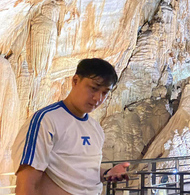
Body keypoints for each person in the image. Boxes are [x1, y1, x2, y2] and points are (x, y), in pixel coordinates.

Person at [12, 58, 129, 195]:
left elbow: (83, 173)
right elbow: (27, 184)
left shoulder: (95, 128)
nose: (98, 98)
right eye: (94, 88)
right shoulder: (46, 121)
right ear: (75, 81)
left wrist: (107, 173)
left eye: (104, 92)